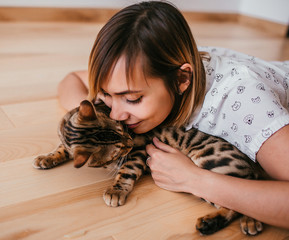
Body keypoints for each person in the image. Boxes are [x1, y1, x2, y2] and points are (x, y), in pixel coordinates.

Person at [58, 1, 289, 229]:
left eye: (132, 99)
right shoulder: (147, 69)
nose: (115, 115)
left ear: (181, 79)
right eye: (107, 94)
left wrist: (195, 180)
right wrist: (89, 123)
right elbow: (72, 79)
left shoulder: (245, 107)